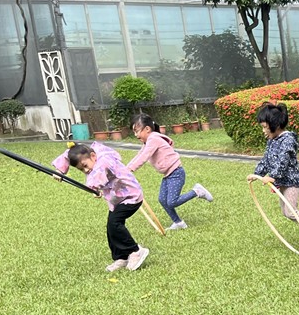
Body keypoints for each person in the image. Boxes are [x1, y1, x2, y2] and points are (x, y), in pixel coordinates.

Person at [53, 142, 149, 272]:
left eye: (85, 166)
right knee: (111, 227)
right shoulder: (88, 152)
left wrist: (94, 187)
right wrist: (60, 171)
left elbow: (98, 175)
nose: (85, 170)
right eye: (81, 169)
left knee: (115, 223)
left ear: (93, 156)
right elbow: (68, 154)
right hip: (117, 198)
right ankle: (121, 257)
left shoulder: (104, 159)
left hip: (130, 196)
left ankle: (135, 250)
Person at [246, 102, 299, 245]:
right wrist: (256, 174)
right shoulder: (272, 141)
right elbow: (266, 160)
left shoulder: (288, 140)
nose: (263, 131)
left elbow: (282, 161)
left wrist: (272, 176)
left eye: (265, 127)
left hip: (291, 182)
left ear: (276, 126)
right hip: (281, 182)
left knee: (291, 212)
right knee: (286, 212)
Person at [127, 113, 213, 230]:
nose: (136, 135)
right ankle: (178, 222)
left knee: (172, 202)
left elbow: (144, 156)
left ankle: (197, 191)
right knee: (162, 200)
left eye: (137, 131)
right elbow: (139, 155)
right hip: (168, 174)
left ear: (147, 129)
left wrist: (131, 169)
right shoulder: (148, 142)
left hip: (176, 173)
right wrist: (125, 169)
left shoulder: (153, 139)